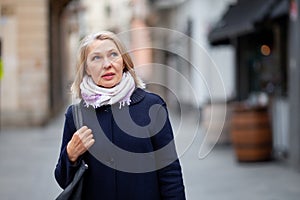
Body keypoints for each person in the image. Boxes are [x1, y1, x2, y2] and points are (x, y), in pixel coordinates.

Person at [54, 31, 186, 200]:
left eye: (113, 55)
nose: (107, 64)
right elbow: (63, 181)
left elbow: (170, 172)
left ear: (123, 62)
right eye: (96, 58)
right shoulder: (76, 115)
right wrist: (70, 155)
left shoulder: (152, 106)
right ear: (86, 68)